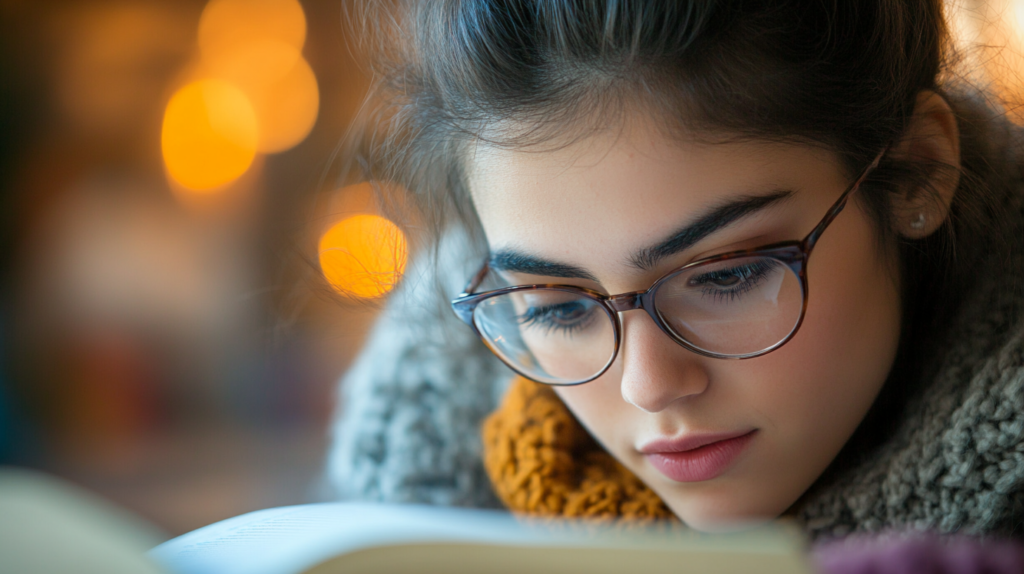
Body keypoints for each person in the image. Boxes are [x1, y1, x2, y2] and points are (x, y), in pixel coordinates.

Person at [327, 0, 1024, 541]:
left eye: (724, 275)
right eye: (558, 307)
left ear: (918, 175)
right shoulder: (416, 502)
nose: (649, 386)